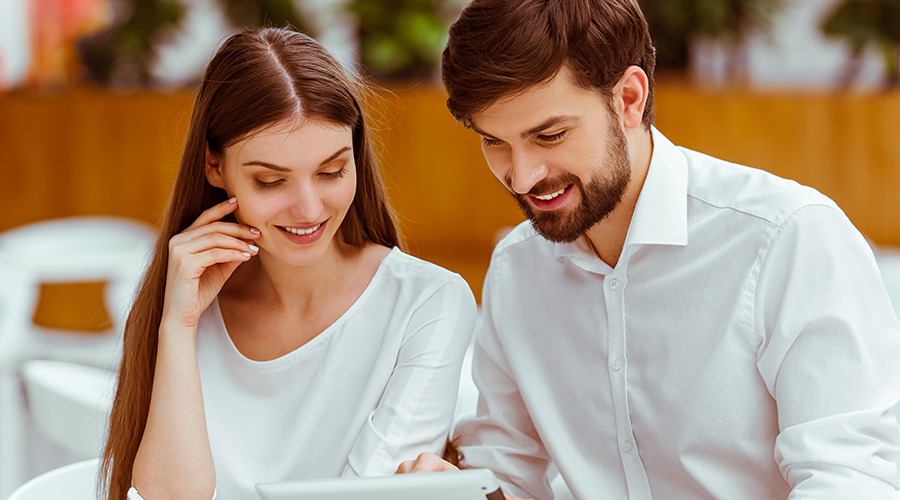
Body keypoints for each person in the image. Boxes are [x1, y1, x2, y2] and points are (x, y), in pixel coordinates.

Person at [396, 0, 900, 498]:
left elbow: (851, 479)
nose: (523, 176)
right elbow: (507, 472)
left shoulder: (789, 238)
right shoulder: (516, 270)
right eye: (494, 142)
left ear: (629, 98)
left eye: (549, 135)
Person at [99, 27, 476, 500]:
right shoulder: (186, 307)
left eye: (332, 172)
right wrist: (178, 325)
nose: (309, 210)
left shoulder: (427, 304)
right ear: (214, 166)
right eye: (271, 181)